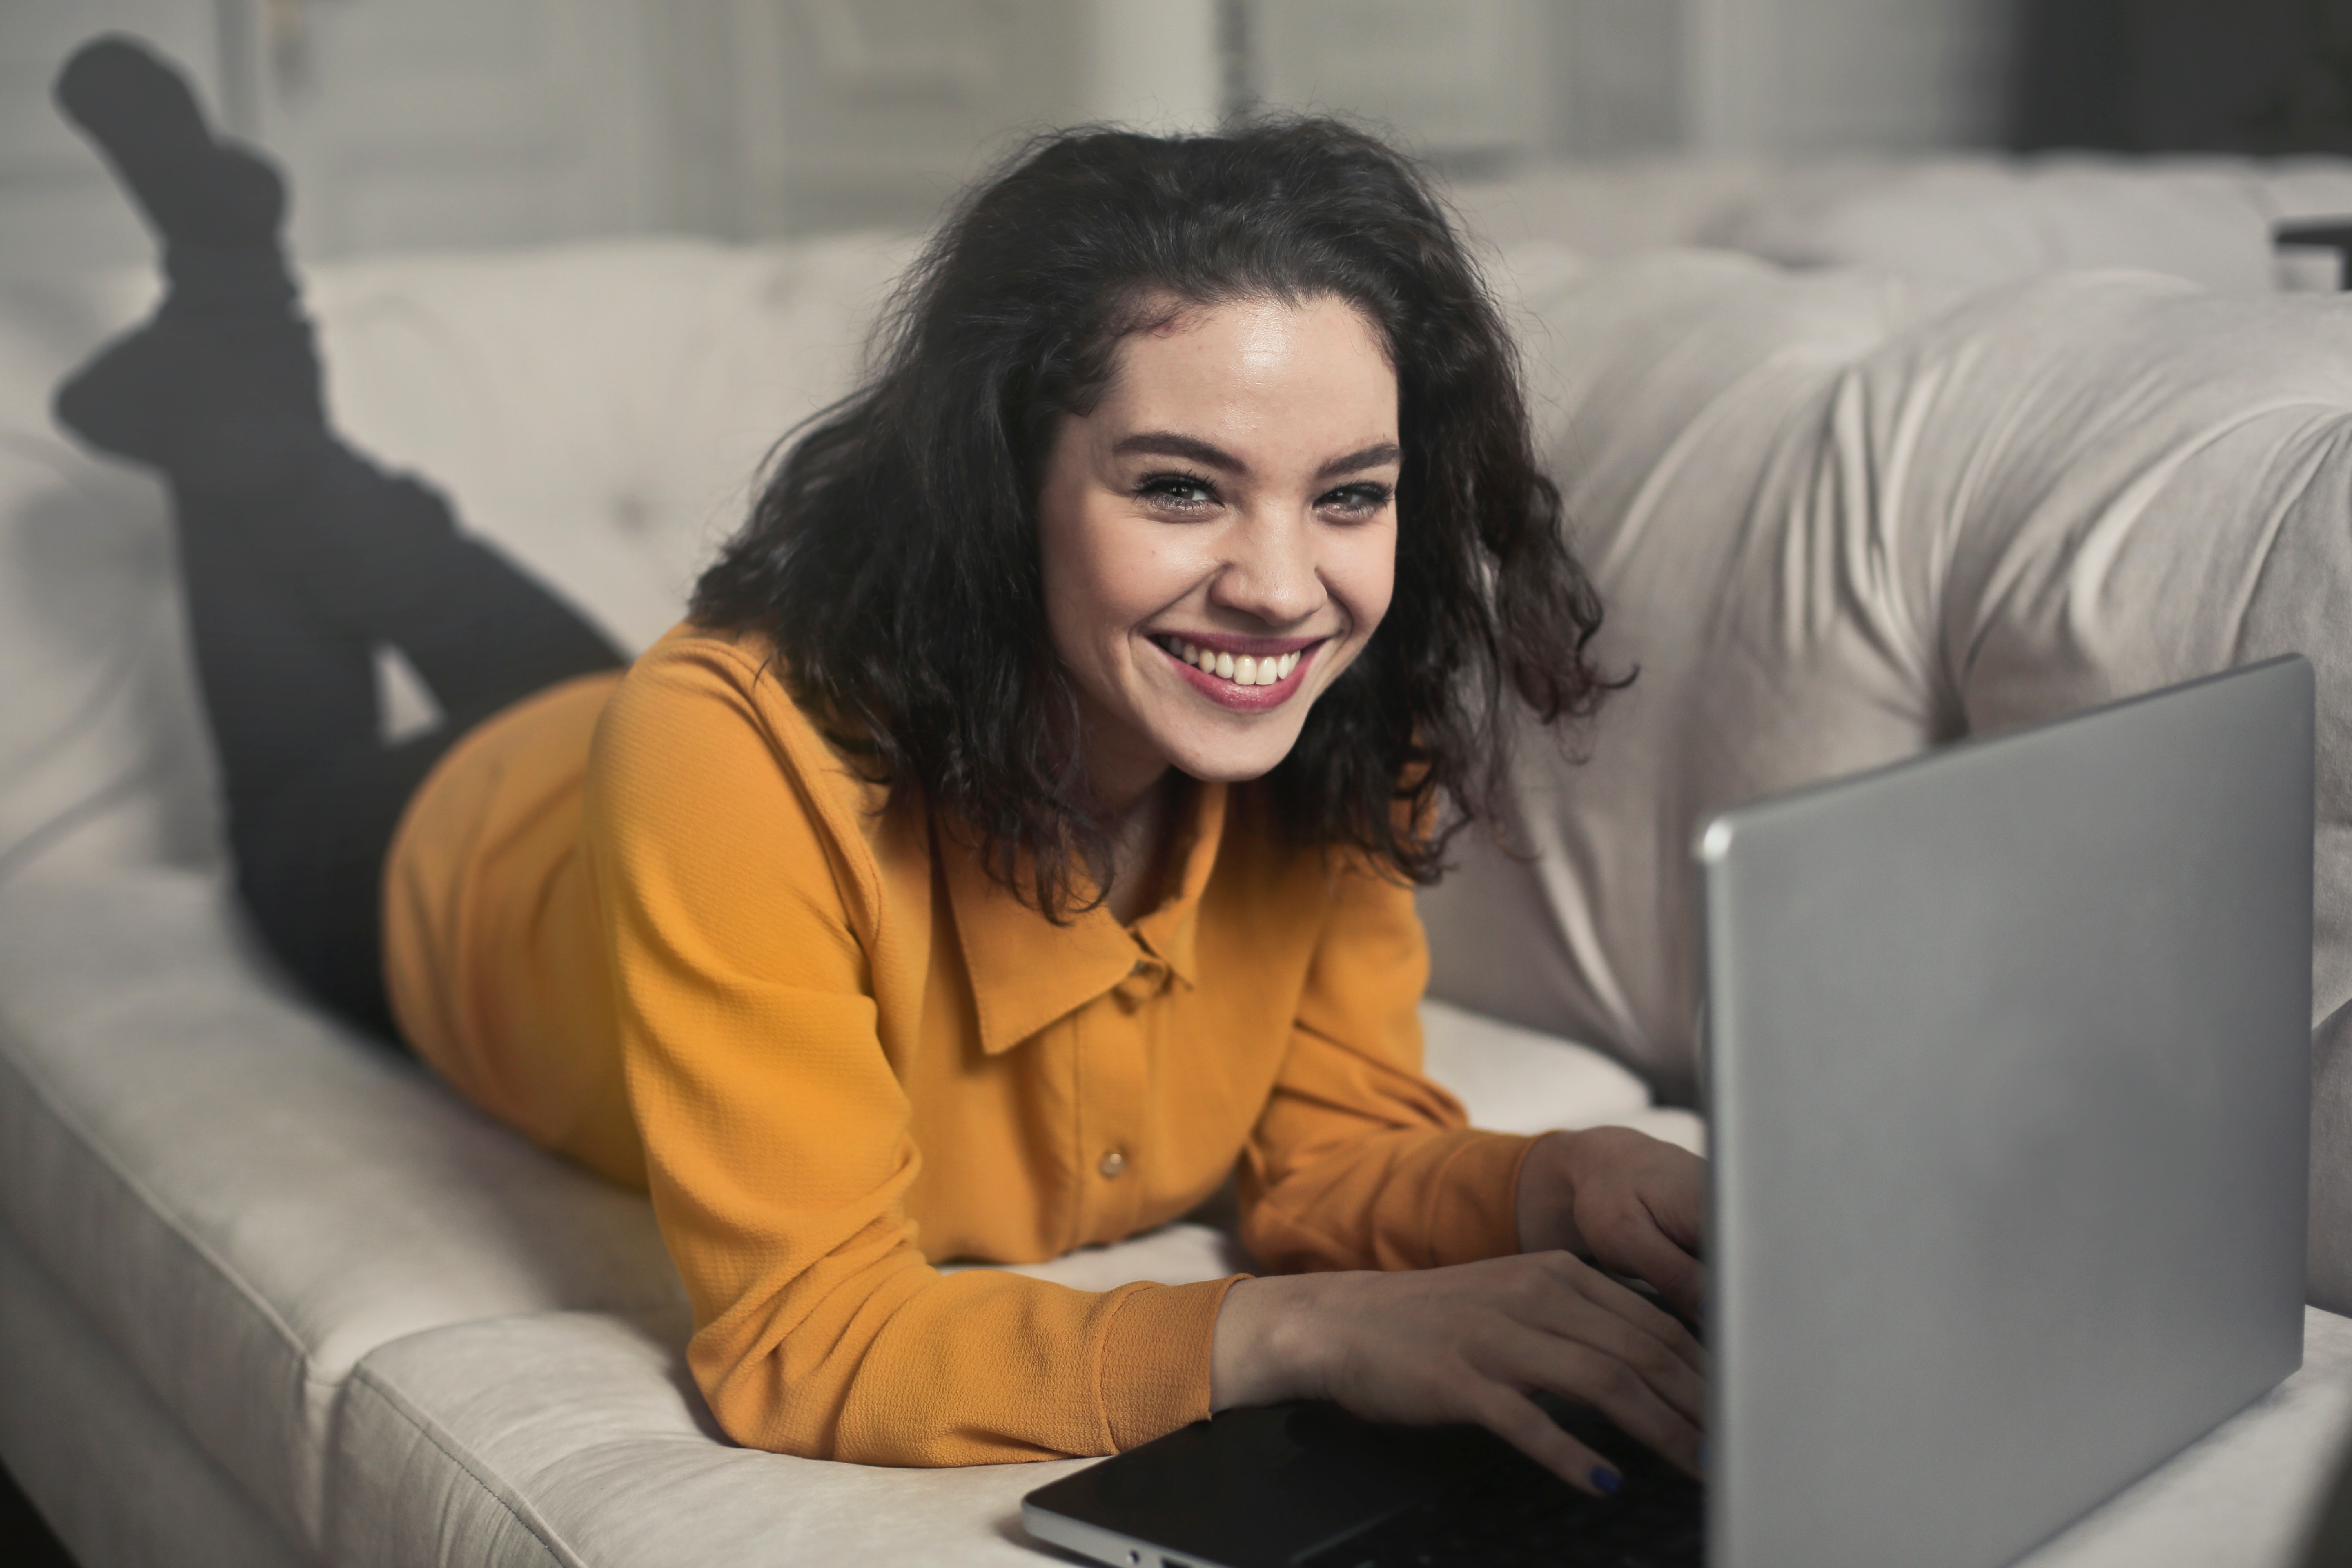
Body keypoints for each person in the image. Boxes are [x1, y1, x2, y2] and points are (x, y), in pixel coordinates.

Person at [52, 34, 1708, 1496]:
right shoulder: (728, 751)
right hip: (470, 858)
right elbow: (810, 1341)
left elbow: (1332, 1164)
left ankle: (234, 367)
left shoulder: (1335, 714)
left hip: (644, 755)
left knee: (530, 648)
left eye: (1350, 494)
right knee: (296, 771)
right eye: (1183, 489)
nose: (1287, 586)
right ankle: (233, 319)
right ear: (1008, 489)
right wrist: (1301, 1336)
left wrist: (1565, 1179)